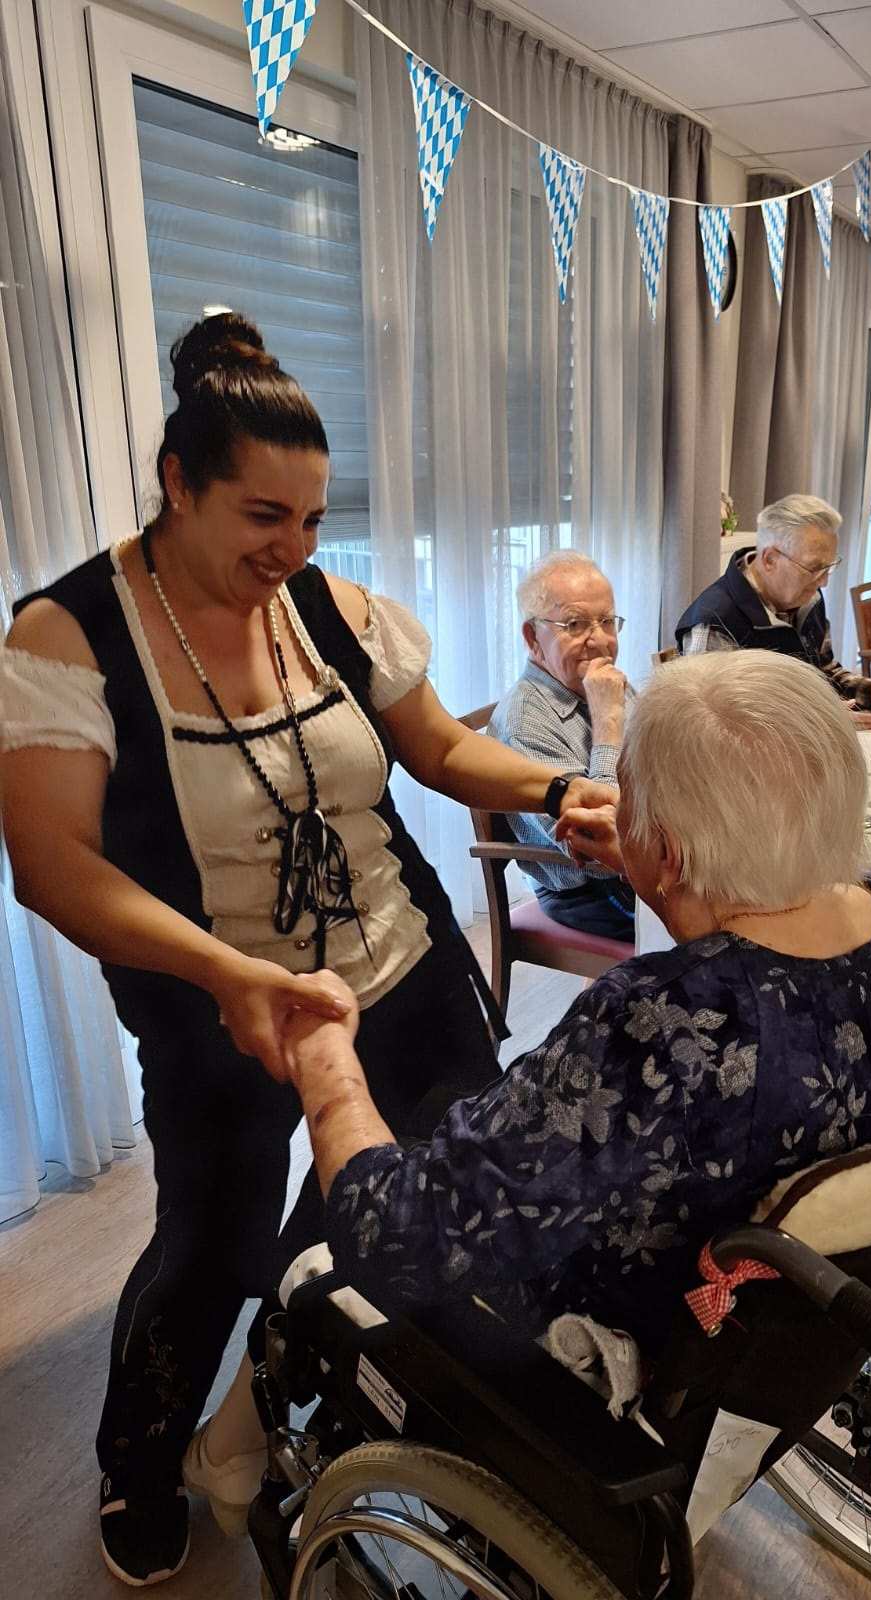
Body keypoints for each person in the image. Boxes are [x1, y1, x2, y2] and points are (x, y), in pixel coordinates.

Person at [0, 313, 615, 1587]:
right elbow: (54, 865)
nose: (293, 550)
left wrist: (559, 795)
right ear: (179, 485)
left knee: (398, 1211)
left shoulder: (327, 608)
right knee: (213, 1247)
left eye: (315, 520)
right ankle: (143, 1448)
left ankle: (274, 1414)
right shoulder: (67, 637)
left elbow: (441, 752)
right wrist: (232, 976)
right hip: (218, 1001)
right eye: (262, 517)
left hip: (402, 969)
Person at [190, 651, 871, 1514]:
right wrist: (661, 866)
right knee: (457, 1103)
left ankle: (236, 1442)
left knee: (403, 1140)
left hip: (612, 1325)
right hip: (774, 1273)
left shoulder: (663, 1021)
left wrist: (324, 1062)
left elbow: (394, 1237)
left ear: (673, 843)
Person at [488, 550, 634, 941]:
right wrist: (608, 724)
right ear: (533, 638)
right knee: (729, 919)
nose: (601, 641)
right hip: (592, 890)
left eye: (607, 621)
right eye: (575, 624)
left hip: (645, 854)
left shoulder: (599, 683)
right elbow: (599, 853)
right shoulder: (524, 723)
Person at [675, 494, 871, 729]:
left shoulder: (806, 597)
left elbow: (825, 671)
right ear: (769, 559)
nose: (823, 583)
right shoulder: (715, 622)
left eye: (828, 568)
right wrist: (818, 722)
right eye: (814, 568)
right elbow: (715, 724)